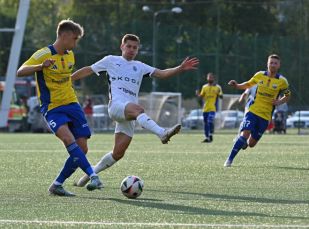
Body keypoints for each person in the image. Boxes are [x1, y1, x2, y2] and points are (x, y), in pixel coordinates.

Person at [72, 34, 199, 187]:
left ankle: (90, 174)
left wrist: (180, 68)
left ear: (137, 50)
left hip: (129, 114)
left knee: (117, 153)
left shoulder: (140, 66)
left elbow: (162, 74)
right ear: (122, 46)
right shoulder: (111, 60)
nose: (131, 50)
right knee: (139, 109)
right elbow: (89, 70)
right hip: (117, 106)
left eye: (135, 47)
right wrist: (69, 79)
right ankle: (162, 133)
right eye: (129, 46)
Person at [16, 19, 103, 196]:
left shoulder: (70, 55)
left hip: (72, 104)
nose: (75, 43)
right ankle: (93, 175)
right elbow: (20, 71)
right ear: (64, 36)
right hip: (53, 107)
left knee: (82, 148)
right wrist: (40, 66)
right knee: (68, 139)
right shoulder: (43, 54)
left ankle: (57, 184)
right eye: (74, 38)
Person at [224, 54, 290, 167]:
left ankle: (243, 141)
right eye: (271, 62)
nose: (273, 65)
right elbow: (248, 84)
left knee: (251, 144)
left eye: (275, 63)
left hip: (265, 116)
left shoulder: (282, 81)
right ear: (267, 64)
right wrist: (237, 85)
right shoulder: (259, 75)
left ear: (279, 65)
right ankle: (229, 160)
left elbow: (287, 95)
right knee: (245, 134)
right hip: (253, 110)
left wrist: (279, 102)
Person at [196, 73, 223, 143]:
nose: (210, 78)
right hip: (205, 108)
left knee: (210, 121)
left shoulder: (217, 87)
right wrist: (198, 94)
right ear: (207, 78)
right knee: (205, 123)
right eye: (209, 77)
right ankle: (207, 137)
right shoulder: (204, 87)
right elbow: (201, 96)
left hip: (213, 108)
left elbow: (221, 96)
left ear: (213, 78)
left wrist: (218, 93)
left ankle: (210, 135)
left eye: (211, 77)